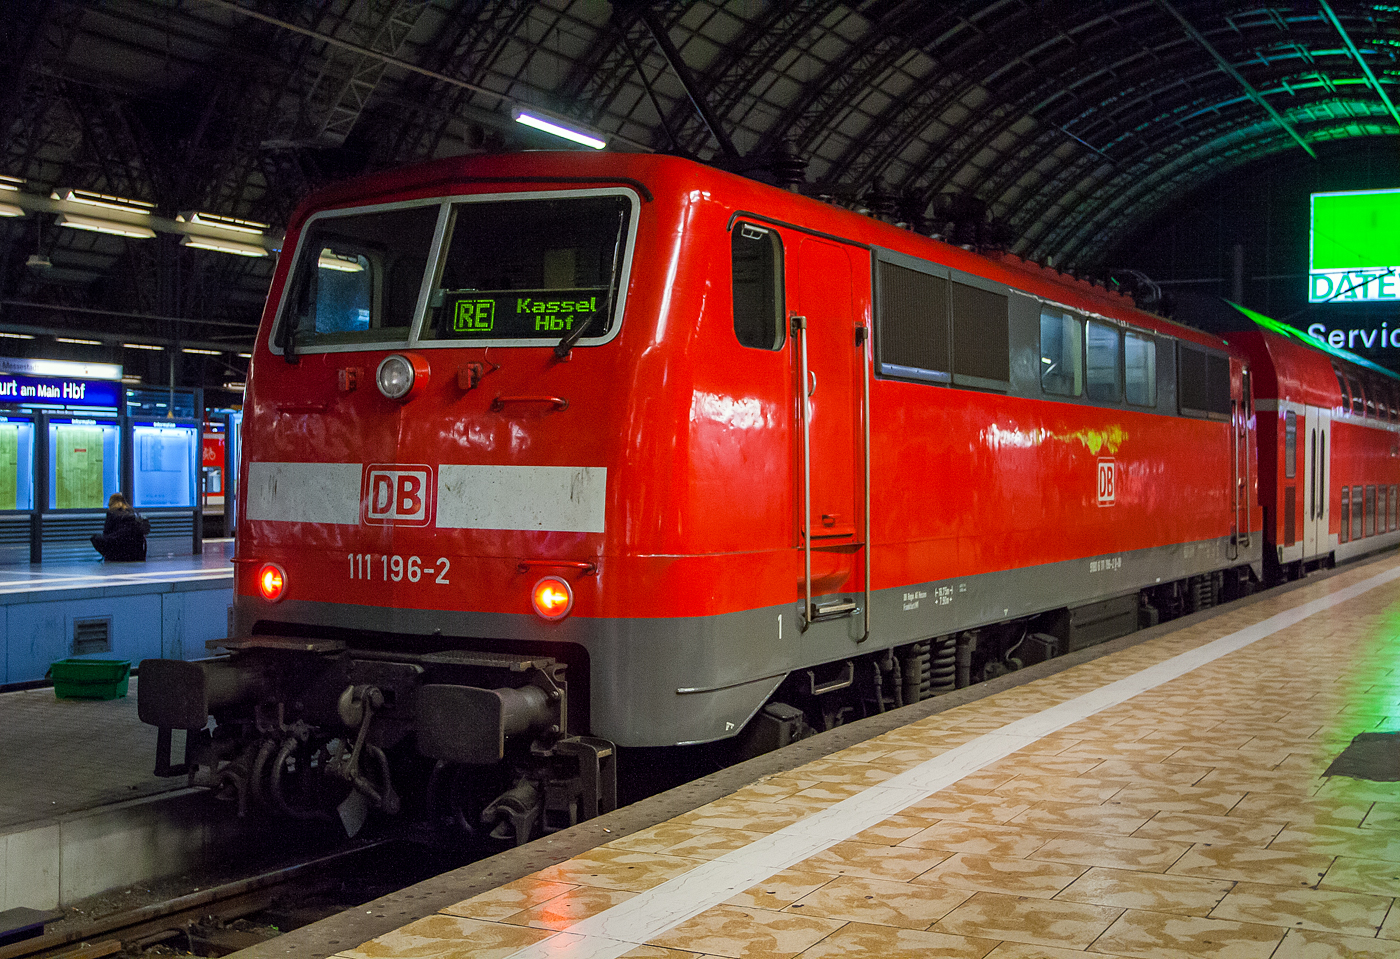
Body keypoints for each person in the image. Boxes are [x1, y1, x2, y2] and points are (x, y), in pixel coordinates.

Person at [91, 493, 148, 561]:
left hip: (117, 550)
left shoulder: (112, 512)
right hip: (135, 551)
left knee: (95, 538)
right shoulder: (132, 511)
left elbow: (106, 532)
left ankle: (108, 556)